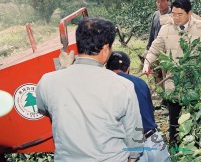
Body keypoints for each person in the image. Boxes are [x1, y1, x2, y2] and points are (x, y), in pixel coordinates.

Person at [36, 17, 143, 162]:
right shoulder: (123, 86)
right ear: (105, 49)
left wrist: (63, 69)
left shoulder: (48, 81)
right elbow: (134, 136)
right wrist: (133, 157)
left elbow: (44, 109)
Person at [142, 0, 201, 145]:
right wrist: (147, 61)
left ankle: (196, 146)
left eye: (179, 14)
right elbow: (156, 47)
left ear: (190, 13)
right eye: (173, 14)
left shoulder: (200, 27)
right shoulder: (166, 27)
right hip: (172, 80)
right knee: (174, 115)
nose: (175, 17)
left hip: (194, 81)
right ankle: (174, 144)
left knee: (194, 113)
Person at [106, 51, 171, 162]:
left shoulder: (106, 86)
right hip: (154, 139)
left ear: (107, 68)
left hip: (131, 147)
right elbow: (149, 111)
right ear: (128, 68)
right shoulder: (140, 83)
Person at [145, 0, 172, 115]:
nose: (159, 3)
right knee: (157, 75)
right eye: (158, 1)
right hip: (156, 51)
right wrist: (148, 47)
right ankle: (163, 99)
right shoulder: (156, 15)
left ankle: (168, 102)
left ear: (168, 2)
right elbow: (152, 32)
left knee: (167, 76)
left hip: (167, 52)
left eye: (162, 1)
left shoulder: (172, 16)